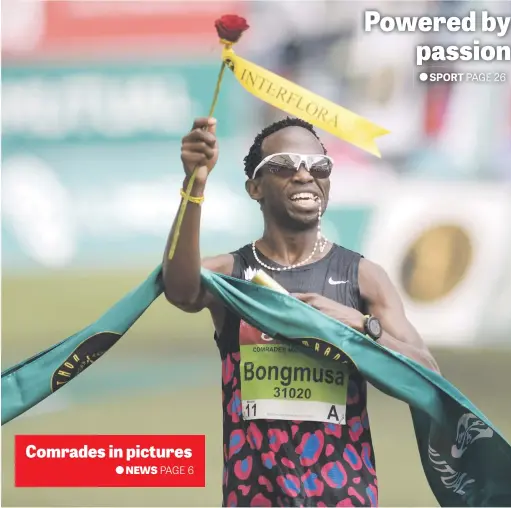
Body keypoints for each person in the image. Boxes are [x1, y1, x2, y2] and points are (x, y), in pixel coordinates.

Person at [162, 116, 440, 507]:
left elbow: (428, 377)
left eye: (319, 166)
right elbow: (179, 288)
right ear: (255, 187)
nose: (305, 174)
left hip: (345, 494)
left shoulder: (363, 278)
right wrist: (194, 184)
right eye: (285, 165)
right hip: (253, 495)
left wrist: (361, 326)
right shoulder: (230, 275)